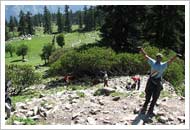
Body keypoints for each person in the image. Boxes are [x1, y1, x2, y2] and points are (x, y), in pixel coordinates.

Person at [139, 47, 180, 116]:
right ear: (156, 58)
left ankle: (150, 110)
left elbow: (171, 60)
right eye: (158, 57)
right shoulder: (153, 62)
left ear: (161, 59)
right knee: (148, 96)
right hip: (151, 80)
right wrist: (141, 49)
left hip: (157, 81)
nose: (158, 58)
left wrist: (176, 56)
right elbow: (145, 56)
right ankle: (144, 108)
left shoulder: (163, 65)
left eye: (159, 57)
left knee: (155, 97)